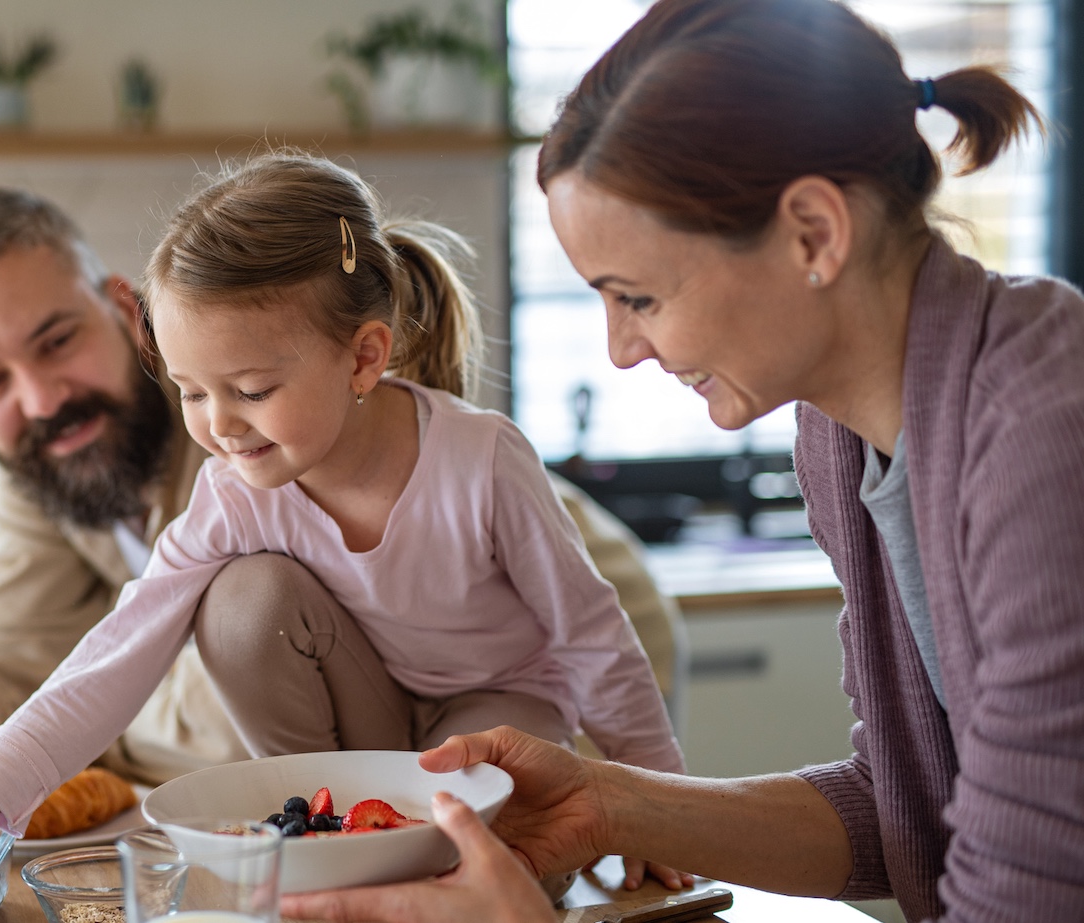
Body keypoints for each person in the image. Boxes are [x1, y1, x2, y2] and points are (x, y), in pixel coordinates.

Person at [282, 1, 1084, 921]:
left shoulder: (1042, 428)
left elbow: (1030, 889)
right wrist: (611, 802)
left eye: (640, 296)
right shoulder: (841, 436)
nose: (623, 348)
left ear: (814, 234)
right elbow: (905, 812)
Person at [0, 186, 689, 879]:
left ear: (123, 312)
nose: (41, 397)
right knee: (242, 602)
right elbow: (78, 660)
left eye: (56, 341)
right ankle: (332, 852)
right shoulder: (198, 468)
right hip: (371, 715)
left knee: (489, 846)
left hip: (524, 692)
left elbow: (595, 626)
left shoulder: (419, 444)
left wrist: (660, 806)